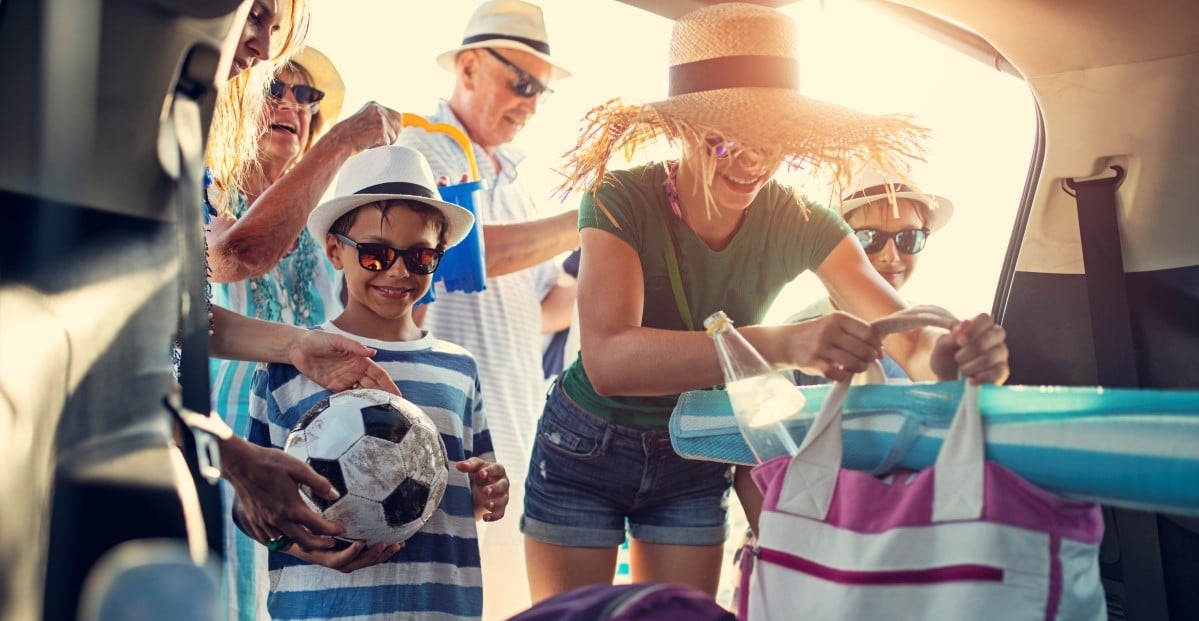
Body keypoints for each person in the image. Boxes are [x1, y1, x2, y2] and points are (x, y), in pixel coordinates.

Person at [519, 3, 1010, 603]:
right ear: (681, 131)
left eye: (772, 139)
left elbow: (907, 338)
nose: (753, 159)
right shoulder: (619, 198)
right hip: (585, 447)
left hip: (694, 451)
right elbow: (610, 360)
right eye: (726, 138)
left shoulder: (801, 220)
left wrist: (955, 356)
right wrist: (781, 343)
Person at [242, 145, 508, 620]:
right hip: (326, 608)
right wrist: (297, 545)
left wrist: (488, 491)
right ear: (334, 251)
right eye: (375, 255)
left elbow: (467, 494)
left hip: (439, 608)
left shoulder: (459, 368)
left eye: (420, 256)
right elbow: (250, 508)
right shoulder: (288, 365)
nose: (398, 271)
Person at [394, 1, 578, 615]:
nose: (529, 102)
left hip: (520, 441)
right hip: (441, 439)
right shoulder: (417, 148)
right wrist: (594, 217)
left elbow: (548, 305)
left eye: (540, 93)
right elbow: (464, 255)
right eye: (521, 83)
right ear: (469, 67)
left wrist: (639, 264)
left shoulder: (524, 183)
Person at [789, 167, 955, 384]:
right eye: (868, 237)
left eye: (909, 237)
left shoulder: (938, 337)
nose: (891, 256)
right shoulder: (795, 342)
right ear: (832, 241)